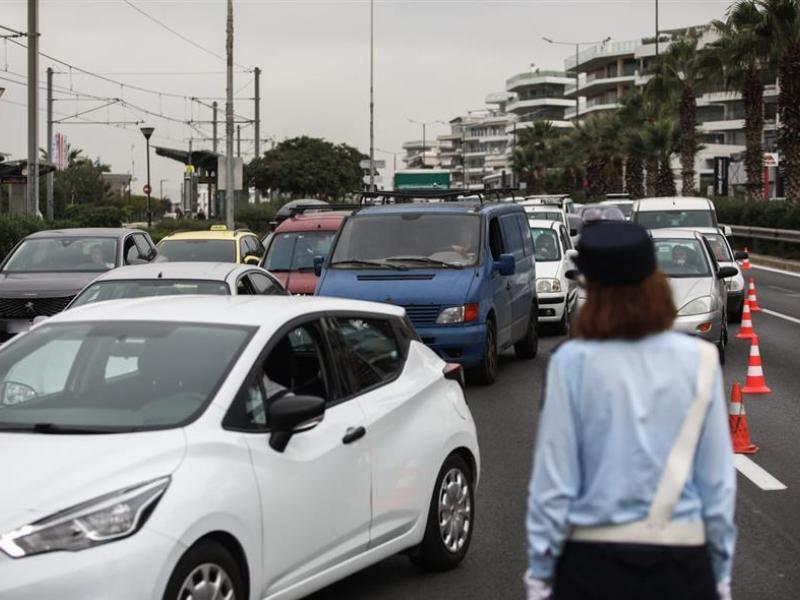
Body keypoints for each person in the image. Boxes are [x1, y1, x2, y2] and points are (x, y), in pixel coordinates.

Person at [525, 221, 736, 600]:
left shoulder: (570, 363)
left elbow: (552, 486)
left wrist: (540, 577)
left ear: (591, 291)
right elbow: (717, 486)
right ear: (655, 285)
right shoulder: (701, 360)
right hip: (682, 560)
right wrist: (718, 574)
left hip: (591, 561)